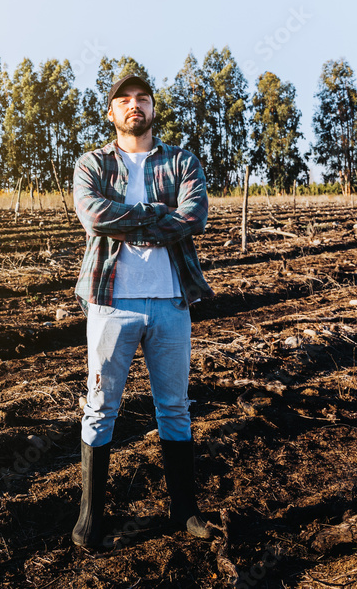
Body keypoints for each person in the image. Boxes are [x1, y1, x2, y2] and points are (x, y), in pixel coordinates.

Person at [70, 74, 215, 549]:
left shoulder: (181, 160)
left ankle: (185, 510)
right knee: (101, 408)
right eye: (125, 101)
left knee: (174, 407)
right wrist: (158, 216)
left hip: (172, 301)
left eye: (143, 100)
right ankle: (91, 517)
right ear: (111, 112)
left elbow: (194, 216)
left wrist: (130, 219)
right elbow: (93, 215)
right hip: (112, 304)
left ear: (154, 110)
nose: (135, 106)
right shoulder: (91, 163)